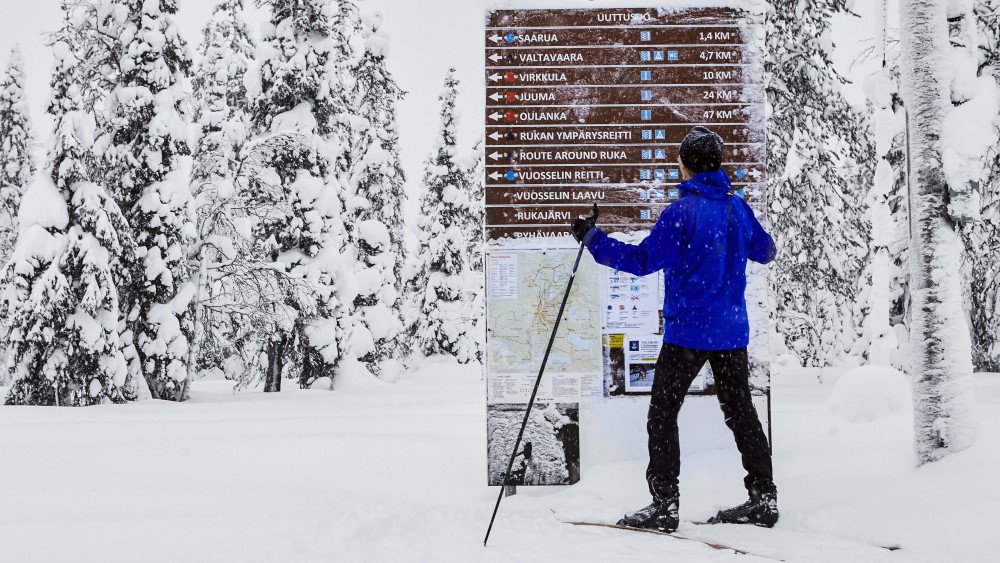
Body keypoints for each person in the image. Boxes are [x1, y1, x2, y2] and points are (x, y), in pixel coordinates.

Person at [570, 126, 778, 532]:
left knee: (663, 414)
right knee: (741, 413)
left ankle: (665, 504)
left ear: (684, 165)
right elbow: (766, 251)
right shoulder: (738, 209)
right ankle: (763, 498)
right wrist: (736, 237)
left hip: (687, 333)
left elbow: (643, 261)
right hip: (731, 334)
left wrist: (593, 239)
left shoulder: (682, 213)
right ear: (717, 164)